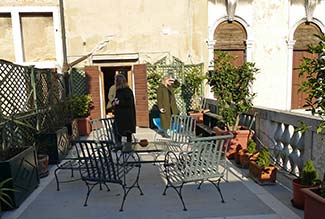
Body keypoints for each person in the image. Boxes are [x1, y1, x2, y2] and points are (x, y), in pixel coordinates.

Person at [112, 74, 136, 143]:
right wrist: (114, 102)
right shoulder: (119, 90)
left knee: (127, 133)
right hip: (120, 116)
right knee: (118, 131)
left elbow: (129, 102)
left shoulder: (127, 91)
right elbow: (117, 100)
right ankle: (119, 145)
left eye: (115, 80)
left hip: (126, 116)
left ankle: (127, 147)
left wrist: (118, 102)